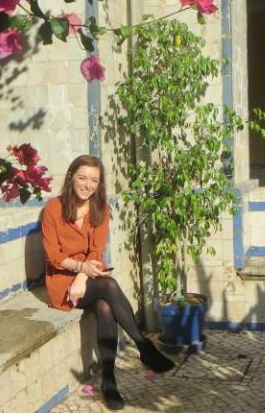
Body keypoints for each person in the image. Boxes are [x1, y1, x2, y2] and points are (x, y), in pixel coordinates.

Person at [41, 154, 174, 411]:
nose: (87, 185)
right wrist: (81, 269)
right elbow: (53, 256)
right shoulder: (53, 210)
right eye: (82, 178)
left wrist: (83, 275)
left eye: (94, 180)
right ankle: (143, 347)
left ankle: (109, 380)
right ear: (70, 177)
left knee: (105, 306)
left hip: (87, 278)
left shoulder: (101, 209)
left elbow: (96, 252)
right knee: (109, 286)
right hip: (61, 282)